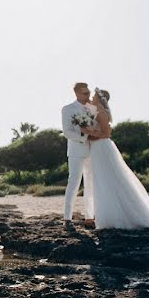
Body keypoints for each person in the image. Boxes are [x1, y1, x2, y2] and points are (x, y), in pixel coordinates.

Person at [84, 88, 149, 230]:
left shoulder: (100, 111)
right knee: (102, 180)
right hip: (97, 148)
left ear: (99, 98)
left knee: (106, 179)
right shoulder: (93, 109)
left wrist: (86, 133)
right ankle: (106, 215)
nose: (91, 98)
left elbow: (106, 133)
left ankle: (113, 217)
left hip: (101, 148)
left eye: (93, 96)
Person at [61, 82, 97, 226]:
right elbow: (67, 132)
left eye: (88, 92)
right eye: (85, 93)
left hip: (94, 150)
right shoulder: (68, 109)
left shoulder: (93, 108)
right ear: (76, 93)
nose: (88, 96)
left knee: (90, 183)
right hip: (76, 150)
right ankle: (67, 218)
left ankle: (89, 217)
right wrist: (84, 136)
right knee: (73, 183)